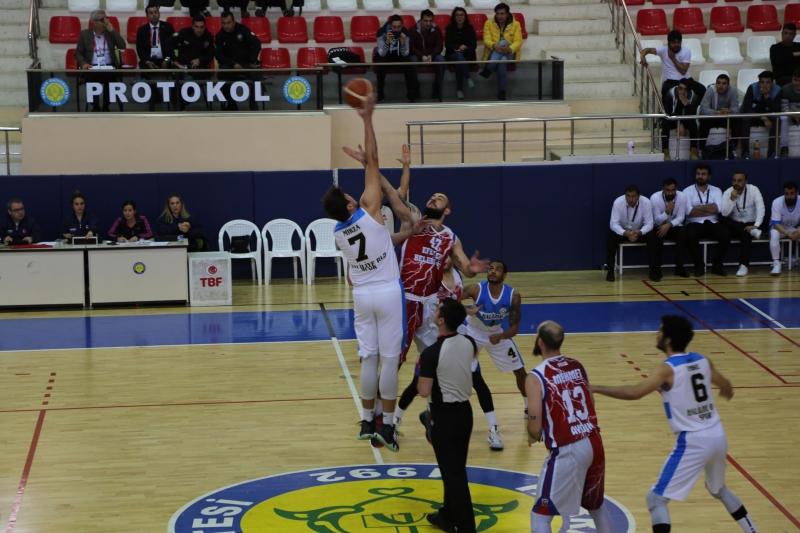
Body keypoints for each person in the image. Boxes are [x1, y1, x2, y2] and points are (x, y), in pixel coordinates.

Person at [591, 315, 759, 533]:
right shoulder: (702, 360)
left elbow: (635, 393)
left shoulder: (666, 369)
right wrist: (723, 393)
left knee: (656, 499)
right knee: (718, 489)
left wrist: (595, 387)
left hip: (694, 440)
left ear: (668, 340)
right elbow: (727, 387)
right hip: (718, 434)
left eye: (660, 331)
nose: (656, 334)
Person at [324, 94, 406, 453]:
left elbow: (349, 275)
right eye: (349, 196)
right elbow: (374, 160)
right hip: (387, 291)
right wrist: (367, 120)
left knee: (368, 358)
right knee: (389, 360)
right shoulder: (370, 211)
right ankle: (387, 427)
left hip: (361, 294)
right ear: (348, 204)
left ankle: (365, 419)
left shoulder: (338, 234)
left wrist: (365, 166)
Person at [526, 321, 613, 533]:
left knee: (540, 515)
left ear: (540, 342)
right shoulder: (578, 365)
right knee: (596, 505)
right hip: (594, 442)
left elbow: (535, 428)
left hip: (569, 449)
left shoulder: (536, 377)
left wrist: (532, 434)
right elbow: (589, 400)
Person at [418, 298, 477, 533]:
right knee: (453, 468)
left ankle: (465, 527)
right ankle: (446, 515)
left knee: (454, 475)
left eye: (438, 309)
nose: (435, 311)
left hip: (445, 417)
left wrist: (421, 369)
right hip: (465, 413)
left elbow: (423, 390)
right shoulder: (469, 342)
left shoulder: (432, 352)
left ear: (441, 320)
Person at [458, 260, 525, 448]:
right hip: (471, 332)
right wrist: (467, 309)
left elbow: (515, 328)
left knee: (520, 372)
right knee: (473, 378)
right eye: (491, 268)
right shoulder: (476, 290)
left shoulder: (513, 296)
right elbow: (449, 301)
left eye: (498, 269)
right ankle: (491, 428)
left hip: (497, 334)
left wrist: (502, 336)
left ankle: (529, 407)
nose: (493, 271)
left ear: (504, 276)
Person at [74, 9, 127, 112]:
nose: (105, 22)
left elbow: (122, 46)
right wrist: (84, 64)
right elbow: (78, 53)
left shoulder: (110, 33)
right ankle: (95, 105)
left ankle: (106, 105)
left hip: (109, 65)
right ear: (94, 23)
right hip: (92, 66)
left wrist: (113, 30)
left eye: (106, 18)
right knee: (91, 77)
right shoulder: (85, 34)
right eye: (102, 20)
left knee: (110, 77)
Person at [684, 163, 731, 277]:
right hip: (694, 223)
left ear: (709, 176)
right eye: (698, 174)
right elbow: (689, 211)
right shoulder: (687, 191)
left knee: (726, 234)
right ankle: (699, 266)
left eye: (703, 174)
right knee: (690, 234)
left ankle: (717, 265)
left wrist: (698, 208)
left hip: (712, 223)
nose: (700, 176)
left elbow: (718, 208)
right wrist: (710, 208)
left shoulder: (716, 190)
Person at [719, 171, 765, 277]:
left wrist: (756, 225)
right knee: (721, 218)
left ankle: (744, 266)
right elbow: (725, 214)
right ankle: (750, 231)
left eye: (739, 180)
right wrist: (731, 199)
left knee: (745, 233)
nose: (736, 183)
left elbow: (760, 208)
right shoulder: (728, 192)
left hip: (751, 224)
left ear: (746, 182)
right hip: (734, 225)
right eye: (734, 180)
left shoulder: (753, 190)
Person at [606, 184, 655, 282]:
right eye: (628, 196)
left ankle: (653, 271)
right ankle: (610, 271)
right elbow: (613, 224)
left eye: (633, 196)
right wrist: (625, 233)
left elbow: (649, 224)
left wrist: (639, 232)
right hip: (623, 232)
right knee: (611, 237)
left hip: (639, 232)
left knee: (653, 237)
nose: (630, 199)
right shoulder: (618, 202)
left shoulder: (646, 202)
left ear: (639, 196)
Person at [640, 30, 705, 103]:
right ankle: (667, 113)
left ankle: (696, 111)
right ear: (669, 43)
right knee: (665, 91)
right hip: (670, 81)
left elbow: (683, 71)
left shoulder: (686, 51)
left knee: (702, 89)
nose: (676, 45)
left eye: (678, 42)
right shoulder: (663, 50)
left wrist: (673, 58)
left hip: (686, 80)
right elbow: (647, 50)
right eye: (673, 42)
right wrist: (642, 57)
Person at [215, 11, 262, 111]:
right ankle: (232, 104)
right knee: (221, 75)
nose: (226, 26)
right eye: (224, 23)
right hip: (230, 64)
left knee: (257, 74)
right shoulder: (219, 36)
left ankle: (253, 105)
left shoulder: (243, 30)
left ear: (234, 22)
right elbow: (218, 55)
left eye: (229, 23)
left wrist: (252, 61)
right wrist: (233, 64)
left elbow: (256, 43)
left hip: (246, 62)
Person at [479, 3, 523, 101]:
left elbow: (518, 42)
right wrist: (495, 45)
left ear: (507, 14)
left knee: (503, 43)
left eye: (502, 14)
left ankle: (488, 69)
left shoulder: (516, 24)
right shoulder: (488, 23)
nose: (499, 16)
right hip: (493, 52)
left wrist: (508, 49)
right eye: (497, 14)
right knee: (502, 58)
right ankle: (502, 92)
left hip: (510, 53)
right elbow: (486, 40)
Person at [650, 178, 690, 279]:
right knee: (655, 235)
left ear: (676, 188)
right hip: (659, 226)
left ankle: (679, 267)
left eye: (673, 190)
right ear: (663, 189)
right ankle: (656, 269)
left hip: (673, 226)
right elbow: (656, 220)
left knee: (683, 232)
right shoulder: (655, 198)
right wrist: (666, 212)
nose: (670, 193)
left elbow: (681, 217)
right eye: (668, 190)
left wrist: (669, 225)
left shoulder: (682, 197)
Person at [740, 71, 781, 159]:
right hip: (754, 116)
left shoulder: (777, 90)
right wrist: (763, 118)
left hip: (768, 117)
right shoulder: (752, 88)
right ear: (759, 82)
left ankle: (771, 151)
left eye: (767, 82)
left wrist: (766, 96)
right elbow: (747, 108)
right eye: (762, 82)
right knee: (745, 119)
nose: (764, 85)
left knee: (777, 119)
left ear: (772, 83)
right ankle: (745, 151)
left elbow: (776, 110)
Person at [373, 15, 415, 103]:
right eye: (394, 27)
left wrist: (403, 43)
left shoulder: (405, 32)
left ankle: (411, 94)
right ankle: (380, 95)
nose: (396, 29)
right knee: (381, 63)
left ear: (402, 26)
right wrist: (387, 41)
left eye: (399, 27)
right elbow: (381, 53)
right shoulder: (381, 32)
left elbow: (405, 54)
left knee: (408, 63)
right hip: (385, 56)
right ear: (390, 26)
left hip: (399, 55)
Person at [408, 10, 445, 101]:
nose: (428, 23)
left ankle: (437, 91)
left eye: (430, 21)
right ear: (420, 20)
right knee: (412, 60)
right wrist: (422, 56)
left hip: (432, 56)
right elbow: (411, 47)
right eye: (426, 21)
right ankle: (415, 90)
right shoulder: (412, 30)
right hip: (417, 56)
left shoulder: (436, 29)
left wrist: (431, 56)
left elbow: (439, 46)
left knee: (441, 60)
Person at [661, 78, 700, 161]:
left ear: (689, 91)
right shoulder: (669, 95)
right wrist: (678, 124)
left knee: (693, 124)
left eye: (685, 90)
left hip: (686, 119)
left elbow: (692, 115)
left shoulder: (694, 97)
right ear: (677, 88)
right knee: (665, 124)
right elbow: (667, 114)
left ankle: (693, 150)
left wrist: (686, 104)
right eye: (680, 88)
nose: (682, 92)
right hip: (672, 119)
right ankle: (665, 150)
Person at [698, 74, 740, 151]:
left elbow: (736, 109)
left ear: (728, 85)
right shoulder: (710, 90)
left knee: (737, 121)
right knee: (704, 120)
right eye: (719, 83)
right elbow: (703, 109)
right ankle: (701, 149)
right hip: (713, 117)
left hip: (726, 117)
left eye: (724, 83)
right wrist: (717, 112)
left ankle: (733, 149)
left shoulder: (733, 91)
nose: (721, 85)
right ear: (716, 84)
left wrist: (729, 111)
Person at [445, 7, 477, 101]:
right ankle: (468, 78)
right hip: (452, 56)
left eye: (462, 15)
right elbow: (448, 45)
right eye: (457, 15)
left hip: (466, 55)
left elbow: (473, 45)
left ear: (465, 17)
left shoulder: (470, 28)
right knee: (458, 56)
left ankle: (459, 90)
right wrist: (459, 47)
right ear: (454, 17)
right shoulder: (449, 28)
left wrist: (465, 48)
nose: (460, 17)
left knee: (460, 62)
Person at [769, 181, 800, 276]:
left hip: (795, 229)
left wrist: (799, 231)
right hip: (780, 229)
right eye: (787, 193)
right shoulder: (777, 202)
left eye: (792, 193)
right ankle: (776, 264)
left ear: (797, 193)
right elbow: (775, 224)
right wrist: (789, 233)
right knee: (774, 233)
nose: (789, 196)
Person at [136, 3, 175, 69]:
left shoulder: (168, 27)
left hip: (164, 59)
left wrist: (166, 60)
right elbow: (140, 49)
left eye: (156, 12)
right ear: (147, 16)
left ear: (159, 14)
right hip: (149, 60)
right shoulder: (142, 30)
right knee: (143, 69)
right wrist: (147, 61)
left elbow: (173, 45)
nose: (154, 14)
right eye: (151, 13)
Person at [778, 68, 800, 158]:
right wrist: (793, 114)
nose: (797, 83)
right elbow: (785, 108)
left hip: (796, 113)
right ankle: (784, 148)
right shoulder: (786, 89)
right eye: (795, 80)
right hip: (791, 116)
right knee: (783, 118)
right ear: (792, 79)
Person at [770, 23, 800, 87]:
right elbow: (778, 61)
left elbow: (784, 59)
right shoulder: (775, 48)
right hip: (782, 79)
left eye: (791, 34)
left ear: (795, 35)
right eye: (786, 33)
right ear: (782, 34)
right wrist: (794, 54)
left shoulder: (798, 46)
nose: (788, 36)